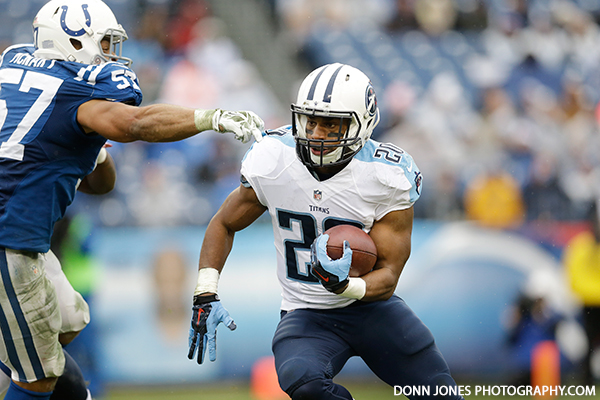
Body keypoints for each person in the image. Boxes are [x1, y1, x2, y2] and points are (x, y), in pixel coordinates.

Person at [0, 0, 264, 399]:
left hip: (25, 243)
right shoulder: (78, 94)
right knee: (37, 378)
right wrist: (208, 118)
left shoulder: (14, 67)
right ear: (72, 43)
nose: (111, 55)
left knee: (66, 323)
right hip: (9, 241)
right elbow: (136, 124)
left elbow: (99, 183)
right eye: (104, 43)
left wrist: (90, 148)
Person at [187, 63, 464, 399]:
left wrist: (345, 285)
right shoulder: (274, 158)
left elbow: (389, 275)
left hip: (372, 308)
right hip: (306, 313)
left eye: (332, 125)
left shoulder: (384, 175)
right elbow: (224, 222)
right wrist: (206, 290)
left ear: (363, 124)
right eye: (311, 120)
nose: (316, 133)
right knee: (303, 381)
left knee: (440, 394)